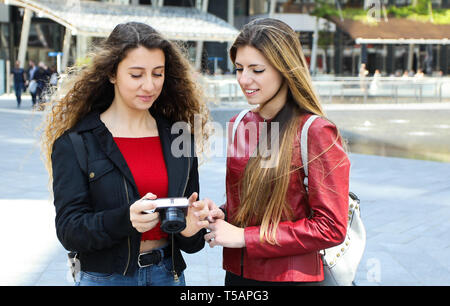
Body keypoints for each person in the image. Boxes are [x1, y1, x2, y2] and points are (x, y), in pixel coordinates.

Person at [40, 22, 211, 286]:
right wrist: (125, 220)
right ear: (112, 73)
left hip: (168, 275)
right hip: (105, 279)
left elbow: (191, 242)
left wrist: (192, 228)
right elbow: (69, 230)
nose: (149, 85)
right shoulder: (76, 142)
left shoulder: (179, 137)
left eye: (158, 73)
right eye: (136, 75)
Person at [205, 18, 350, 286]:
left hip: (291, 278)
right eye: (239, 68)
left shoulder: (315, 131)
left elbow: (331, 228)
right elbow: (255, 200)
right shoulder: (240, 124)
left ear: (285, 69)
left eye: (257, 70)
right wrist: (224, 214)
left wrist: (243, 237)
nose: (244, 80)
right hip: (236, 276)